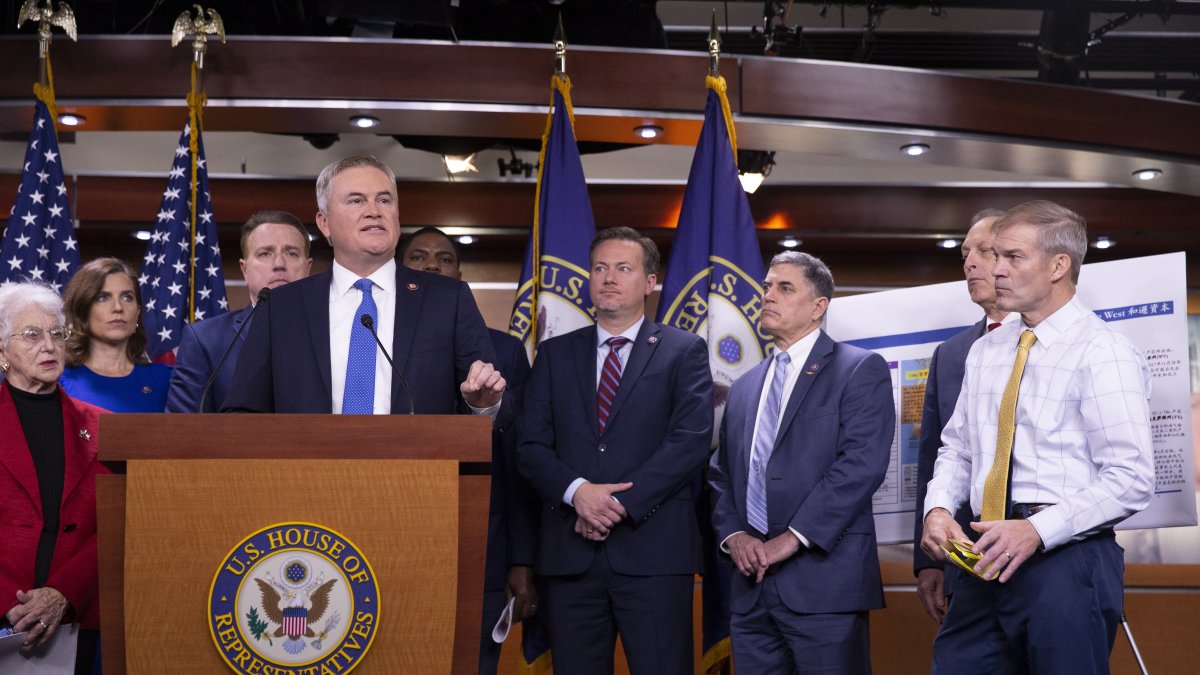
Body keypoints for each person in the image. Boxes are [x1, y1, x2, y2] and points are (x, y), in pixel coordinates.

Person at [921, 200, 1154, 673]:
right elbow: (958, 449)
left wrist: (1034, 531)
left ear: (1058, 266)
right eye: (993, 255)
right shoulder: (986, 350)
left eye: (1012, 257)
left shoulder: (1104, 352)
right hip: (982, 554)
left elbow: (1130, 478)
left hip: (1066, 559)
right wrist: (939, 508)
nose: (994, 269)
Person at [516, 227, 712, 675]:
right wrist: (578, 493)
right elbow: (529, 446)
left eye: (623, 269)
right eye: (600, 268)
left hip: (654, 557)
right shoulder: (554, 354)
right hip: (571, 558)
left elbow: (689, 442)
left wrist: (616, 504)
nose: (609, 278)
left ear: (649, 282)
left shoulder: (683, 352)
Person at [708, 251, 895, 674]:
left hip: (824, 586)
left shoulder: (858, 369)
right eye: (767, 286)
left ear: (818, 307)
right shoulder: (745, 386)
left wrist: (791, 538)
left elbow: (860, 465)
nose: (768, 295)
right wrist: (735, 534)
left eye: (784, 288)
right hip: (750, 586)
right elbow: (721, 474)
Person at [223, 155, 505, 415]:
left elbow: (494, 402)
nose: (374, 211)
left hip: (419, 469)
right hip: (304, 469)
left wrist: (483, 404)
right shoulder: (281, 307)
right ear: (324, 223)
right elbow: (243, 413)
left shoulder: (447, 300)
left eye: (384, 200)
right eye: (356, 200)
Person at [399, 226, 538, 675]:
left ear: (459, 276)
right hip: (391, 528)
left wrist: (520, 558)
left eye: (443, 258)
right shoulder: (368, 333)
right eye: (418, 257)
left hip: (481, 540)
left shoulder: (503, 350)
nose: (432, 265)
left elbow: (519, 460)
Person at [0, 281, 108, 673]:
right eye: (31, 335)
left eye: (56, 333)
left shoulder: (104, 427)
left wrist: (64, 591)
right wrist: (7, 602)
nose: (48, 345)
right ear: (2, 351)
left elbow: (119, 521)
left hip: (77, 619)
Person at [912, 209, 1010, 624]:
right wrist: (929, 563)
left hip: (1048, 554)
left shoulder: (1058, 343)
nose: (969, 263)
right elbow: (935, 455)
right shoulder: (952, 353)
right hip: (965, 558)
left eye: (983, 251)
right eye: (965, 253)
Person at [166, 210, 313, 413]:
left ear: (308, 268)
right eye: (265, 253)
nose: (279, 264)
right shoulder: (204, 340)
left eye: (291, 253)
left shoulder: (335, 333)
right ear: (245, 269)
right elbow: (182, 430)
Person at [60, 257, 172, 412]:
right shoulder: (60, 380)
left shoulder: (167, 379)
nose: (118, 307)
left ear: (138, 311)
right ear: (82, 310)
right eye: (103, 298)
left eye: (127, 297)